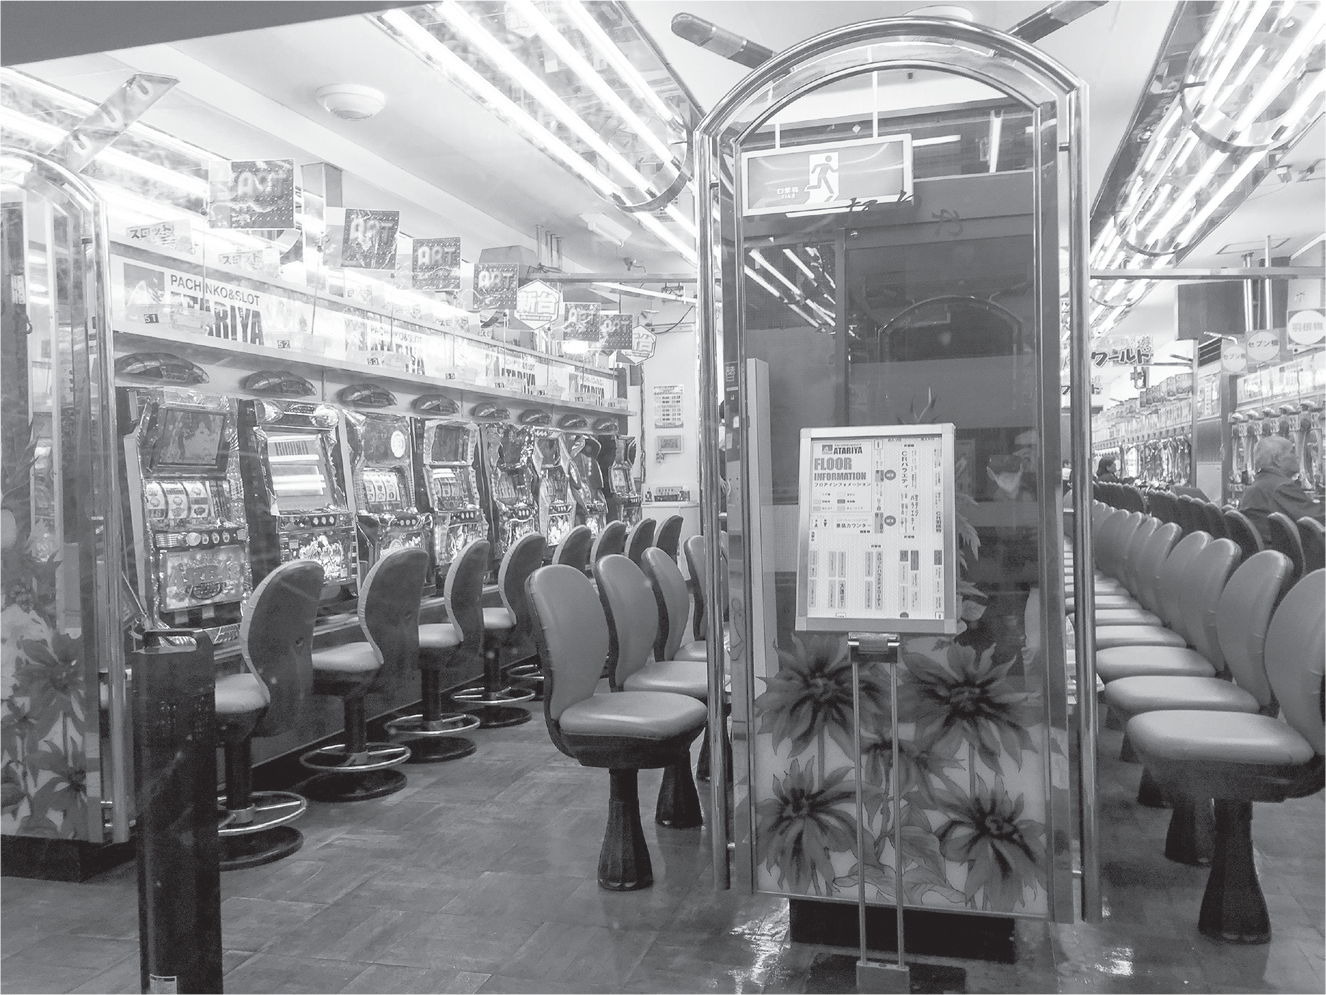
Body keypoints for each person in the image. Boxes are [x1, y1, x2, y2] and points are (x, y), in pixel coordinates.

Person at [1238, 435, 1325, 540]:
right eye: (1292, 452)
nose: (1297, 456)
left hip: (1267, 549)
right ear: (1277, 459)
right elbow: (1317, 517)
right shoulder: (1281, 487)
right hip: (1280, 549)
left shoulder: (1257, 485)